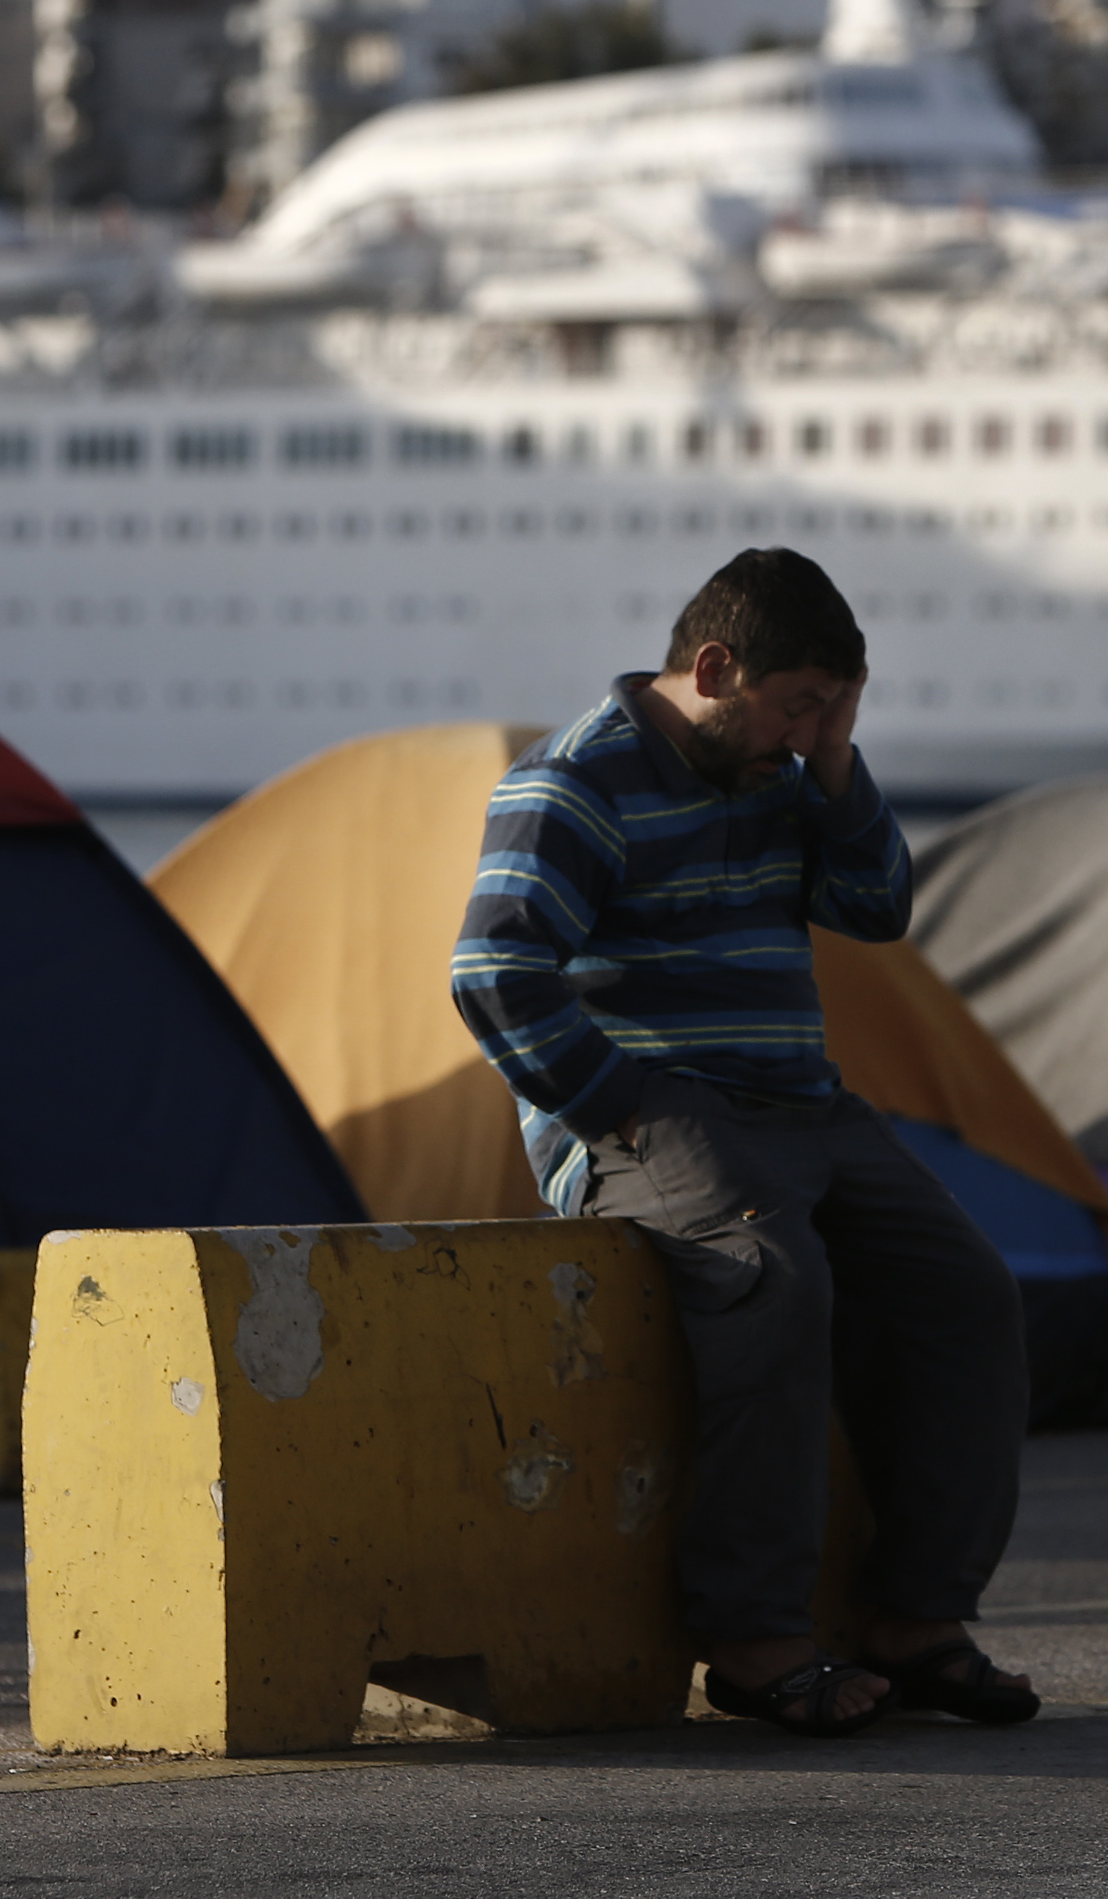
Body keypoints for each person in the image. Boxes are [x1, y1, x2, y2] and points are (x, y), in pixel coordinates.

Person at [450, 548, 1037, 1738]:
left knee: (966, 1294)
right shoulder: (572, 785)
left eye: (835, 708)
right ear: (714, 668)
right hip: (648, 1106)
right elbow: (493, 972)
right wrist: (612, 1106)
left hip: (802, 1104)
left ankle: (916, 1619)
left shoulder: (783, 772)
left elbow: (876, 910)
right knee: (772, 1278)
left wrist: (836, 764)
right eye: (800, 704)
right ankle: (756, 1637)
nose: (809, 731)